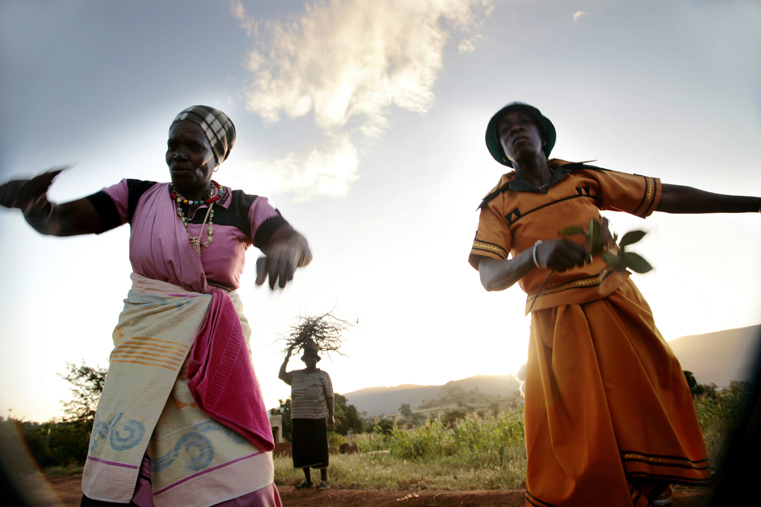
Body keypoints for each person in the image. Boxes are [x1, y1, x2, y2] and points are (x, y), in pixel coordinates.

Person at [0, 105, 312, 507]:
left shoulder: (244, 206)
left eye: (192, 146)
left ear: (217, 157)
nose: (178, 154)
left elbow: (293, 240)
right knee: (130, 461)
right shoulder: (137, 196)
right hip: (144, 356)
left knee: (237, 474)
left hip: (214, 357)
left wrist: (287, 250)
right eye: (172, 145)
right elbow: (59, 220)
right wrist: (35, 205)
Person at [469, 102, 761, 507]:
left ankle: (657, 495)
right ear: (502, 149)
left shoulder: (583, 179)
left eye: (524, 124)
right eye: (505, 129)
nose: (516, 130)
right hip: (560, 323)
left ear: (543, 135)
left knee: (644, 399)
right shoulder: (498, 205)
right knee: (583, 427)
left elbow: (666, 195)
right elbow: (489, 277)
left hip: (616, 304)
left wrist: (754, 203)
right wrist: (535, 254)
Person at [278, 345, 334, 491]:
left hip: (317, 416)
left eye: (312, 357)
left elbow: (329, 396)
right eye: (307, 358)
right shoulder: (296, 375)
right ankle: (308, 481)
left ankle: (324, 480)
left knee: (319, 448)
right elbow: (281, 375)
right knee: (302, 449)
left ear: (316, 359)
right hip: (298, 416)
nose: (310, 360)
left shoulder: (323, 376)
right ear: (304, 360)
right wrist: (287, 356)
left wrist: (331, 416)